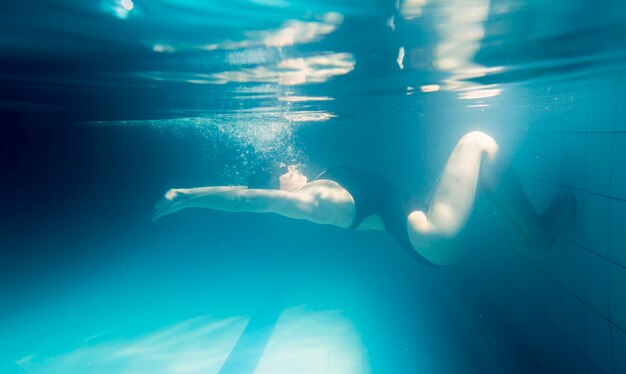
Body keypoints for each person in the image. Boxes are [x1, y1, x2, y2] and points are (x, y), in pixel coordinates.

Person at [152, 131, 575, 266]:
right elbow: (248, 201)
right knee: (477, 141)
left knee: (478, 166)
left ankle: (534, 232)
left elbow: (381, 214)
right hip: (430, 235)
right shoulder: (311, 201)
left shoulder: (324, 188)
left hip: (425, 232)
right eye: (281, 171)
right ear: (276, 189)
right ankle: (538, 230)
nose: (289, 164)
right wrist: (188, 195)